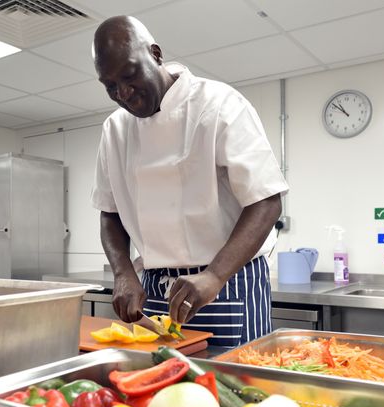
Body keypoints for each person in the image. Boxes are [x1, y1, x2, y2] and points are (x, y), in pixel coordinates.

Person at [90, 16, 289, 348]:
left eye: (129, 75)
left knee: (237, 389)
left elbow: (266, 201)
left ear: (154, 54)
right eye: (109, 86)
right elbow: (109, 213)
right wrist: (123, 272)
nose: (123, 93)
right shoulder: (114, 130)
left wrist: (213, 276)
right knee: (164, 390)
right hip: (155, 290)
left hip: (228, 281)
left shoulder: (219, 104)